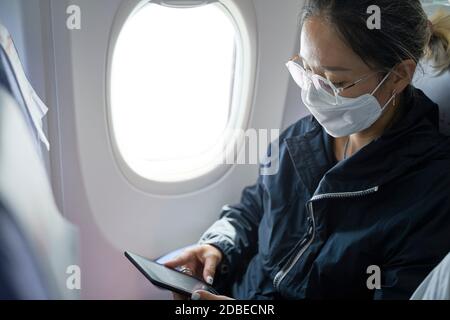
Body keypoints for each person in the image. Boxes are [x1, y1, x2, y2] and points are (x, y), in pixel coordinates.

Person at [165, 0, 450, 300]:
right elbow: (256, 208)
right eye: (307, 71)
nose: (313, 94)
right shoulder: (303, 136)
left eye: (336, 81)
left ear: (398, 76)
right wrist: (218, 247)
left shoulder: (432, 195)